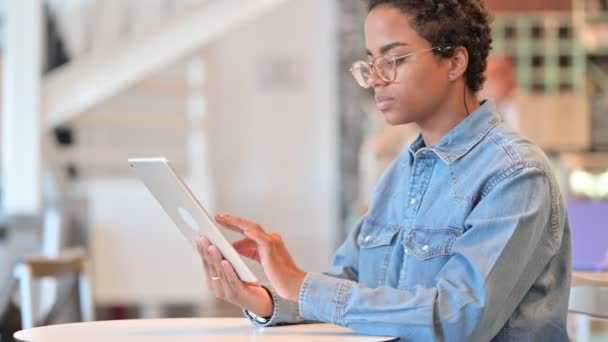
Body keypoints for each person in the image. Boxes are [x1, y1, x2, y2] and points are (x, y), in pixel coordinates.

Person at [196, 1, 572, 340]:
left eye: (394, 59)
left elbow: (458, 319)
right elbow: (350, 283)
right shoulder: (400, 174)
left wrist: (302, 285)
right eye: (371, 62)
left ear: (455, 62)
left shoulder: (515, 175)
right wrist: (268, 298)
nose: (376, 78)